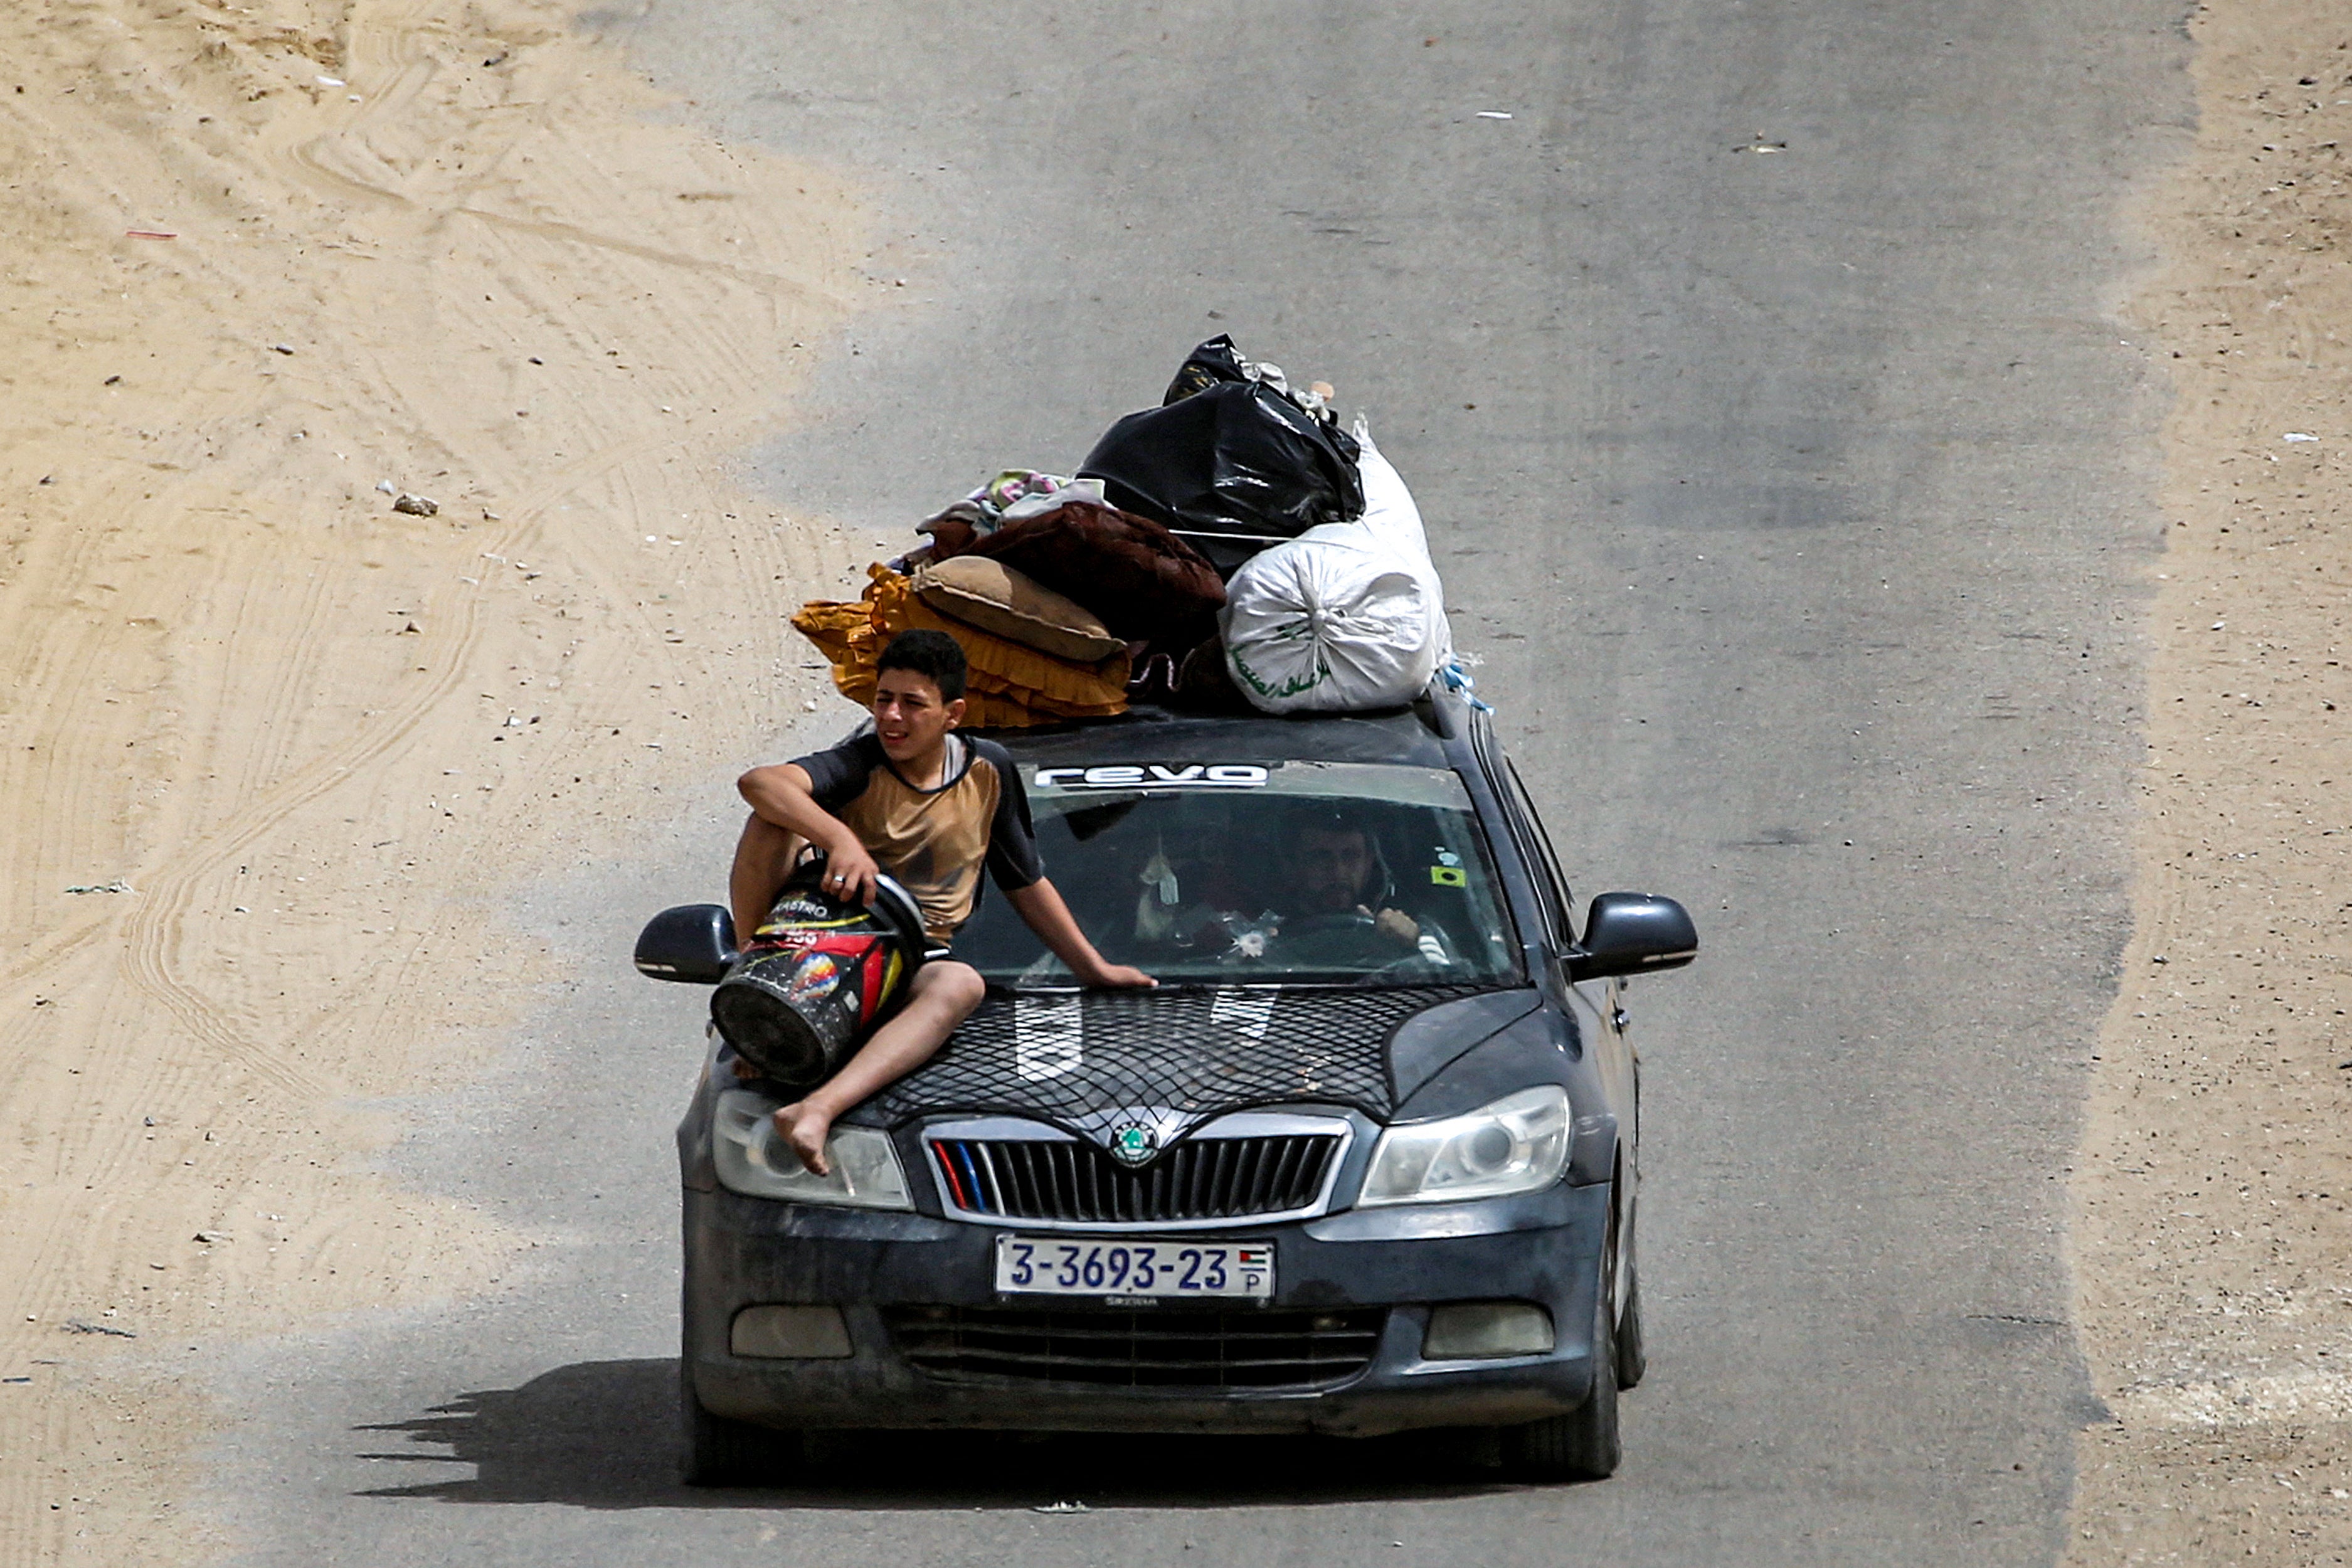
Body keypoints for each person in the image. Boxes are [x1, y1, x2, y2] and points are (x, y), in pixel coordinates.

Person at [728, 629, 1153, 1173]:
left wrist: (1095, 969)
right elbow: (759, 782)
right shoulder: (859, 764)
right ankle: (756, 975)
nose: (893, 718)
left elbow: (1025, 881)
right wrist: (840, 841)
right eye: (884, 700)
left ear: (953, 714)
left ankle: (815, 1111)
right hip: (823, 944)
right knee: (771, 818)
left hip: (911, 957)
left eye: (913, 704)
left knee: (962, 983)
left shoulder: (987, 770)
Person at [1280, 811, 1453, 966]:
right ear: (1293, 868)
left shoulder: (1413, 933)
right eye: (1321, 857)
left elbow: (1450, 987)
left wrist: (1412, 946)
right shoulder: (1262, 940)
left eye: (1351, 857)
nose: (1338, 872)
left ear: (1368, 863)